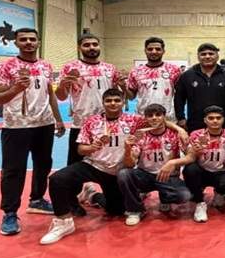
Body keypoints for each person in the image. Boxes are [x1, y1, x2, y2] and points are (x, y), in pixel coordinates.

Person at [39, 89, 145, 245]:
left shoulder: (134, 120)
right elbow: (80, 149)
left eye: (117, 100)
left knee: (116, 210)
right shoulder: (92, 121)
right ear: (103, 103)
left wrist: (179, 130)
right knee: (57, 179)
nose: (113, 103)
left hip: (117, 172)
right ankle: (63, 222)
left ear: (123, 102)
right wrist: (92, 147)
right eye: (109, 101)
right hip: (94, 165)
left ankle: (92, 196)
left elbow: (159, 121)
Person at [0, 28, 66, 236]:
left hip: (44, 125)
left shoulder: (46, 65)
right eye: (23, 39)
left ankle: (37, 199)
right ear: (16, 43)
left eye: (32, 39)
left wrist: (58, 119)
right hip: (17, 126)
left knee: (44, 165)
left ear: (38, 42)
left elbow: (50, 94)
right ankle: (9, 213)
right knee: (13, 170)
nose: (28, 42)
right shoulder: (5, 67)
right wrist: (15, 89)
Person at [117, 104, 192, 226]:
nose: (154, 118)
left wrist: (173, 162)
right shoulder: (140, 136)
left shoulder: (175, 135)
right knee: (124, 174)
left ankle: (165, 198)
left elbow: (191, 156)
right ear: (146, 118)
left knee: (184, 196)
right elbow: (129, 164)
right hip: (145, 175)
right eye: (150, 115)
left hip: (168, 176)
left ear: (164, 117)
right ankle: (135, 210)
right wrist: (127, 148)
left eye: (158, 115)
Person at [56, 34, 123, 166]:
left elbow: (116, 95)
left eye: (94, 44)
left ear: (99, 46)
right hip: (81, 123)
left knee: (108, 161)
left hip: (107, 124)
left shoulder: (110, 68)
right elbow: (61, 96)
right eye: (86, 45)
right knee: (75, 164)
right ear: (79, 47)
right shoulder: (70, 68)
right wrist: (62, 85)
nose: (91, 47)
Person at [182, 106, 225, 222]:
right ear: (205, 120)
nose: (215, 121)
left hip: (223, 172)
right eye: (211, 118)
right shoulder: (196, 135)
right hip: (202, 171)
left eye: (218, 118)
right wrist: (195, 151)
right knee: (189, 170)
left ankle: (220, 192)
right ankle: (200, 202)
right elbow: (189, 156)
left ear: (223, 119)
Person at [175, 43, 225, 132]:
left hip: (222, 124)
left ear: (217, 56)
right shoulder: (187, 76)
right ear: (198, 56)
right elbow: (179, 98)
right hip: (194, 124)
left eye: (211, 54)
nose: (207, 56)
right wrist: (181, 118)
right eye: (203, 54)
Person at [126, 37, 181, 121]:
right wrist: (123, 86)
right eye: (150, 49)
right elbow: (131, 97)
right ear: (145, 51)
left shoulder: (173, 70)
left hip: (167, 117)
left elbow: (180, 95)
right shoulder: (136, 71)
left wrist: (181, 117)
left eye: (158, 49)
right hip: (143, 117)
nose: (154, 51)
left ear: (163, 51)